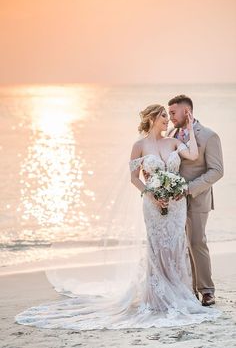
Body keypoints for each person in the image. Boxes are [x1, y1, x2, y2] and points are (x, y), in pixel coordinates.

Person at [15, 102, 221, 330]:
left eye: (168, 115)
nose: (168, 119)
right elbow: (134, 178)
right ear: (153, 118)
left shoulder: (174, 140)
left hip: (176, 205)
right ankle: (157, 296)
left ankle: (180, 290)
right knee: (156, 246)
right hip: (153, 205)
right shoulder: (139, 146)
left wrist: (191, 127)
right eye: (164, 115)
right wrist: (150, 194)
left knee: (175, 246)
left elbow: (192, 154)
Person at [167, 95, 224, 306]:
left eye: (173, 112)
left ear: (186, 112)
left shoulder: (209, 136)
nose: (170, 117)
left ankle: (207, 290)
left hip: (198, 198)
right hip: (174, 200)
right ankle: (188, 290)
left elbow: (217, 171)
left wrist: (188, 189)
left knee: (197, 242)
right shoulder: (171, 134)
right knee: (181, 244)